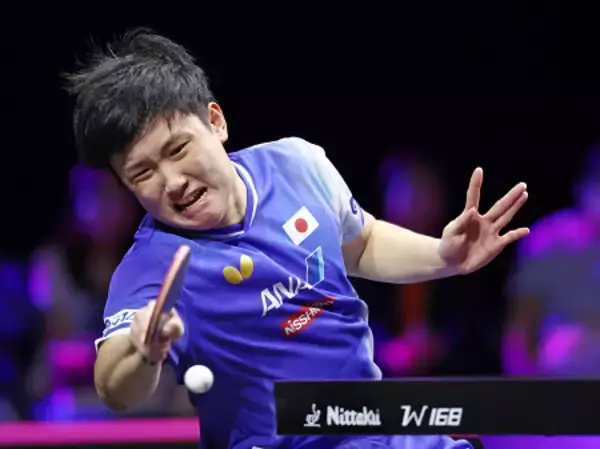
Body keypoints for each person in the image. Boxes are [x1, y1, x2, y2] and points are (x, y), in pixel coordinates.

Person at [64, 29, 529, 449]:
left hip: (378, 428)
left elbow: (362, 242)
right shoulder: (150, 267)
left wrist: (444, 256)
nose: (172, 182)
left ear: (215, 122)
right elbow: (112, 384)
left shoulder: (296, 164)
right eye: (143, 173)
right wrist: (143, 353)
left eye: (178, 149)